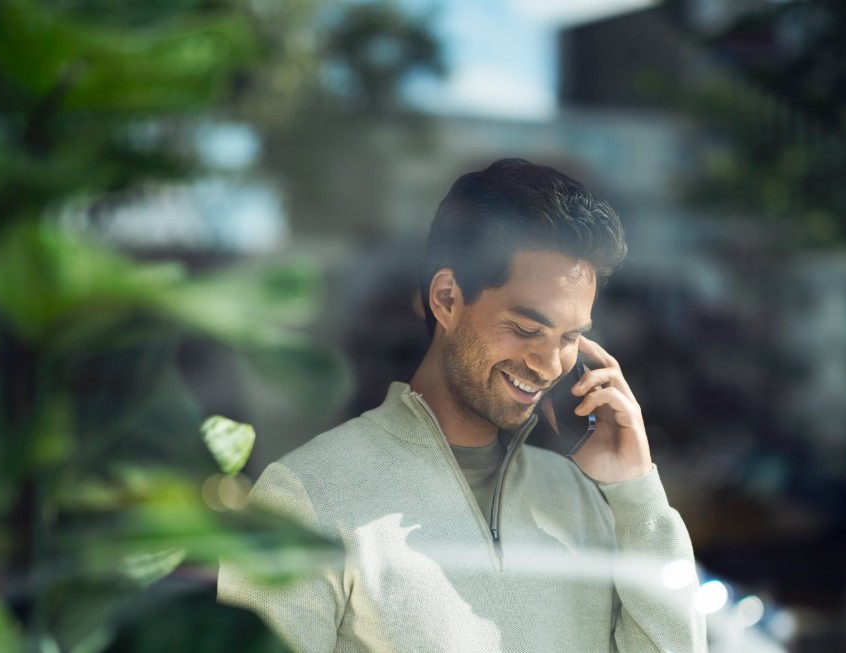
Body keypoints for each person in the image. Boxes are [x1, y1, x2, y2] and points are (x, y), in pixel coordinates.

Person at [219, 159, 706, 652]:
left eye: (571, 337)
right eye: (526, 329)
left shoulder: (584, 502)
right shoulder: (307, 498)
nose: (550, 364)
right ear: (448, 298)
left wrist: (637, 495)